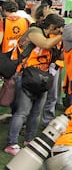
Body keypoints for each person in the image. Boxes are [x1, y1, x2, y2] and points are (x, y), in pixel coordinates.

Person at [4, 14, 64, 155]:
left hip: (42, 78)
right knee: (22, 112)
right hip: (25, 75)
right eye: (59, 29)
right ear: (51, 27)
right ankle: (11, 144)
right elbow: (44, 44)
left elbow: (59, 55)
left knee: (36, 112)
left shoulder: (53, 38)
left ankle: (29, 140)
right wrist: (62, 36)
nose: (60, 32)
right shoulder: (34, 31)